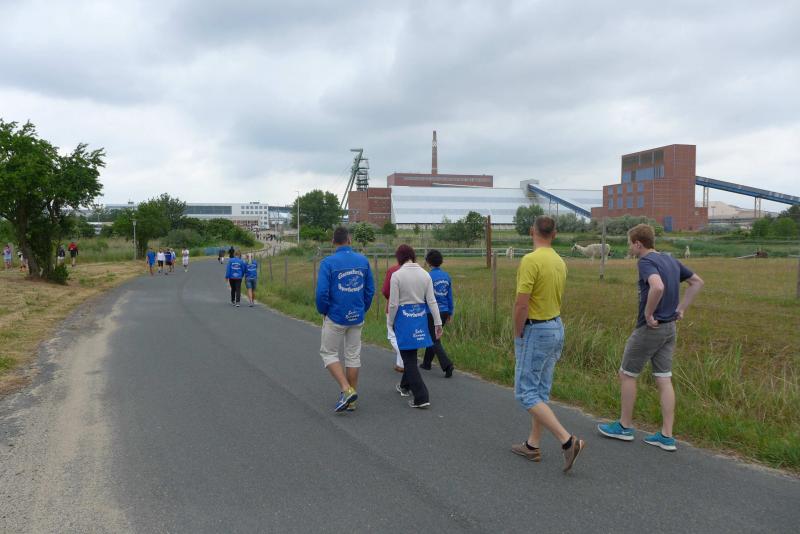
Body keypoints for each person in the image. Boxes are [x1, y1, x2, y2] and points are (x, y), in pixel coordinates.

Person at [598, 224, 704, 452]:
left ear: (638, 244)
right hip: (670, 328)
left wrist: (648, 314)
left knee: (627, 374)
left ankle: (624, 426)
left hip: (651, 328)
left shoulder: (645, 261)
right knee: (664, 378)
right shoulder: (670, 259)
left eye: (630, 243)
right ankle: (666, 435)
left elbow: (657, 286)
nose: (629, 247)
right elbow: (697, 282)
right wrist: (681, 308)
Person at [511, 215, 584, 472]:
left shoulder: (531, 260)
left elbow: (522, 303)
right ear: (554, 234)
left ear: (532, 231)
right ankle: (533, 444)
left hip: (536, 329)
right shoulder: (559, 261)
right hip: (556, 327)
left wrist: (518, 332)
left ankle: (568, 441)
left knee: (525, 393)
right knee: (540, 391)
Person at [315, 227, 374, 413]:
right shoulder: (363, 261)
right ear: (349, 240)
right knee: (353, 356)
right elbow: (369, 290)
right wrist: (362, 308)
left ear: (333, 242)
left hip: (336, 316)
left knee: (328, 353)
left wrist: (323, 310)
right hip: (357, 315)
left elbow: (322, 292)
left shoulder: (328, 263)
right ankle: (352, 400)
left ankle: (347, 390)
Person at [388, 244, 442, 409]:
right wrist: (438, 322)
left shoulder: (397, 275)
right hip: (420, 317)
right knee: (411, 354)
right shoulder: (425, 275)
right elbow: (431, 301)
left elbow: (393, 304)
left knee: (408, 359)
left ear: (399, 257)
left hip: (404, 318)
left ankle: (421, 396)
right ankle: (405, 386)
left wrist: (390, 322)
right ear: (413, 256)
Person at [420, 249, 454, 377]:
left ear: (428, 262)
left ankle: (447, 365)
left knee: (434, 339)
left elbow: (423, 296)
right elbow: (449, 296)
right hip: (444, 311)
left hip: (431, 312)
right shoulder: (446, 276)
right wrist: (450, 311)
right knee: (433, 336)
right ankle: (426, 363)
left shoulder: (427, 276)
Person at [381, 259, 405, 373]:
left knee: (392, 335)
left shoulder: (393, 270)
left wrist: (391, 298)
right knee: (402, 335)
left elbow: (386, 290)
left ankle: (404, 358)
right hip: (410, 308)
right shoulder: (417, 270)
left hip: (393, 306)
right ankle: (400, 364)